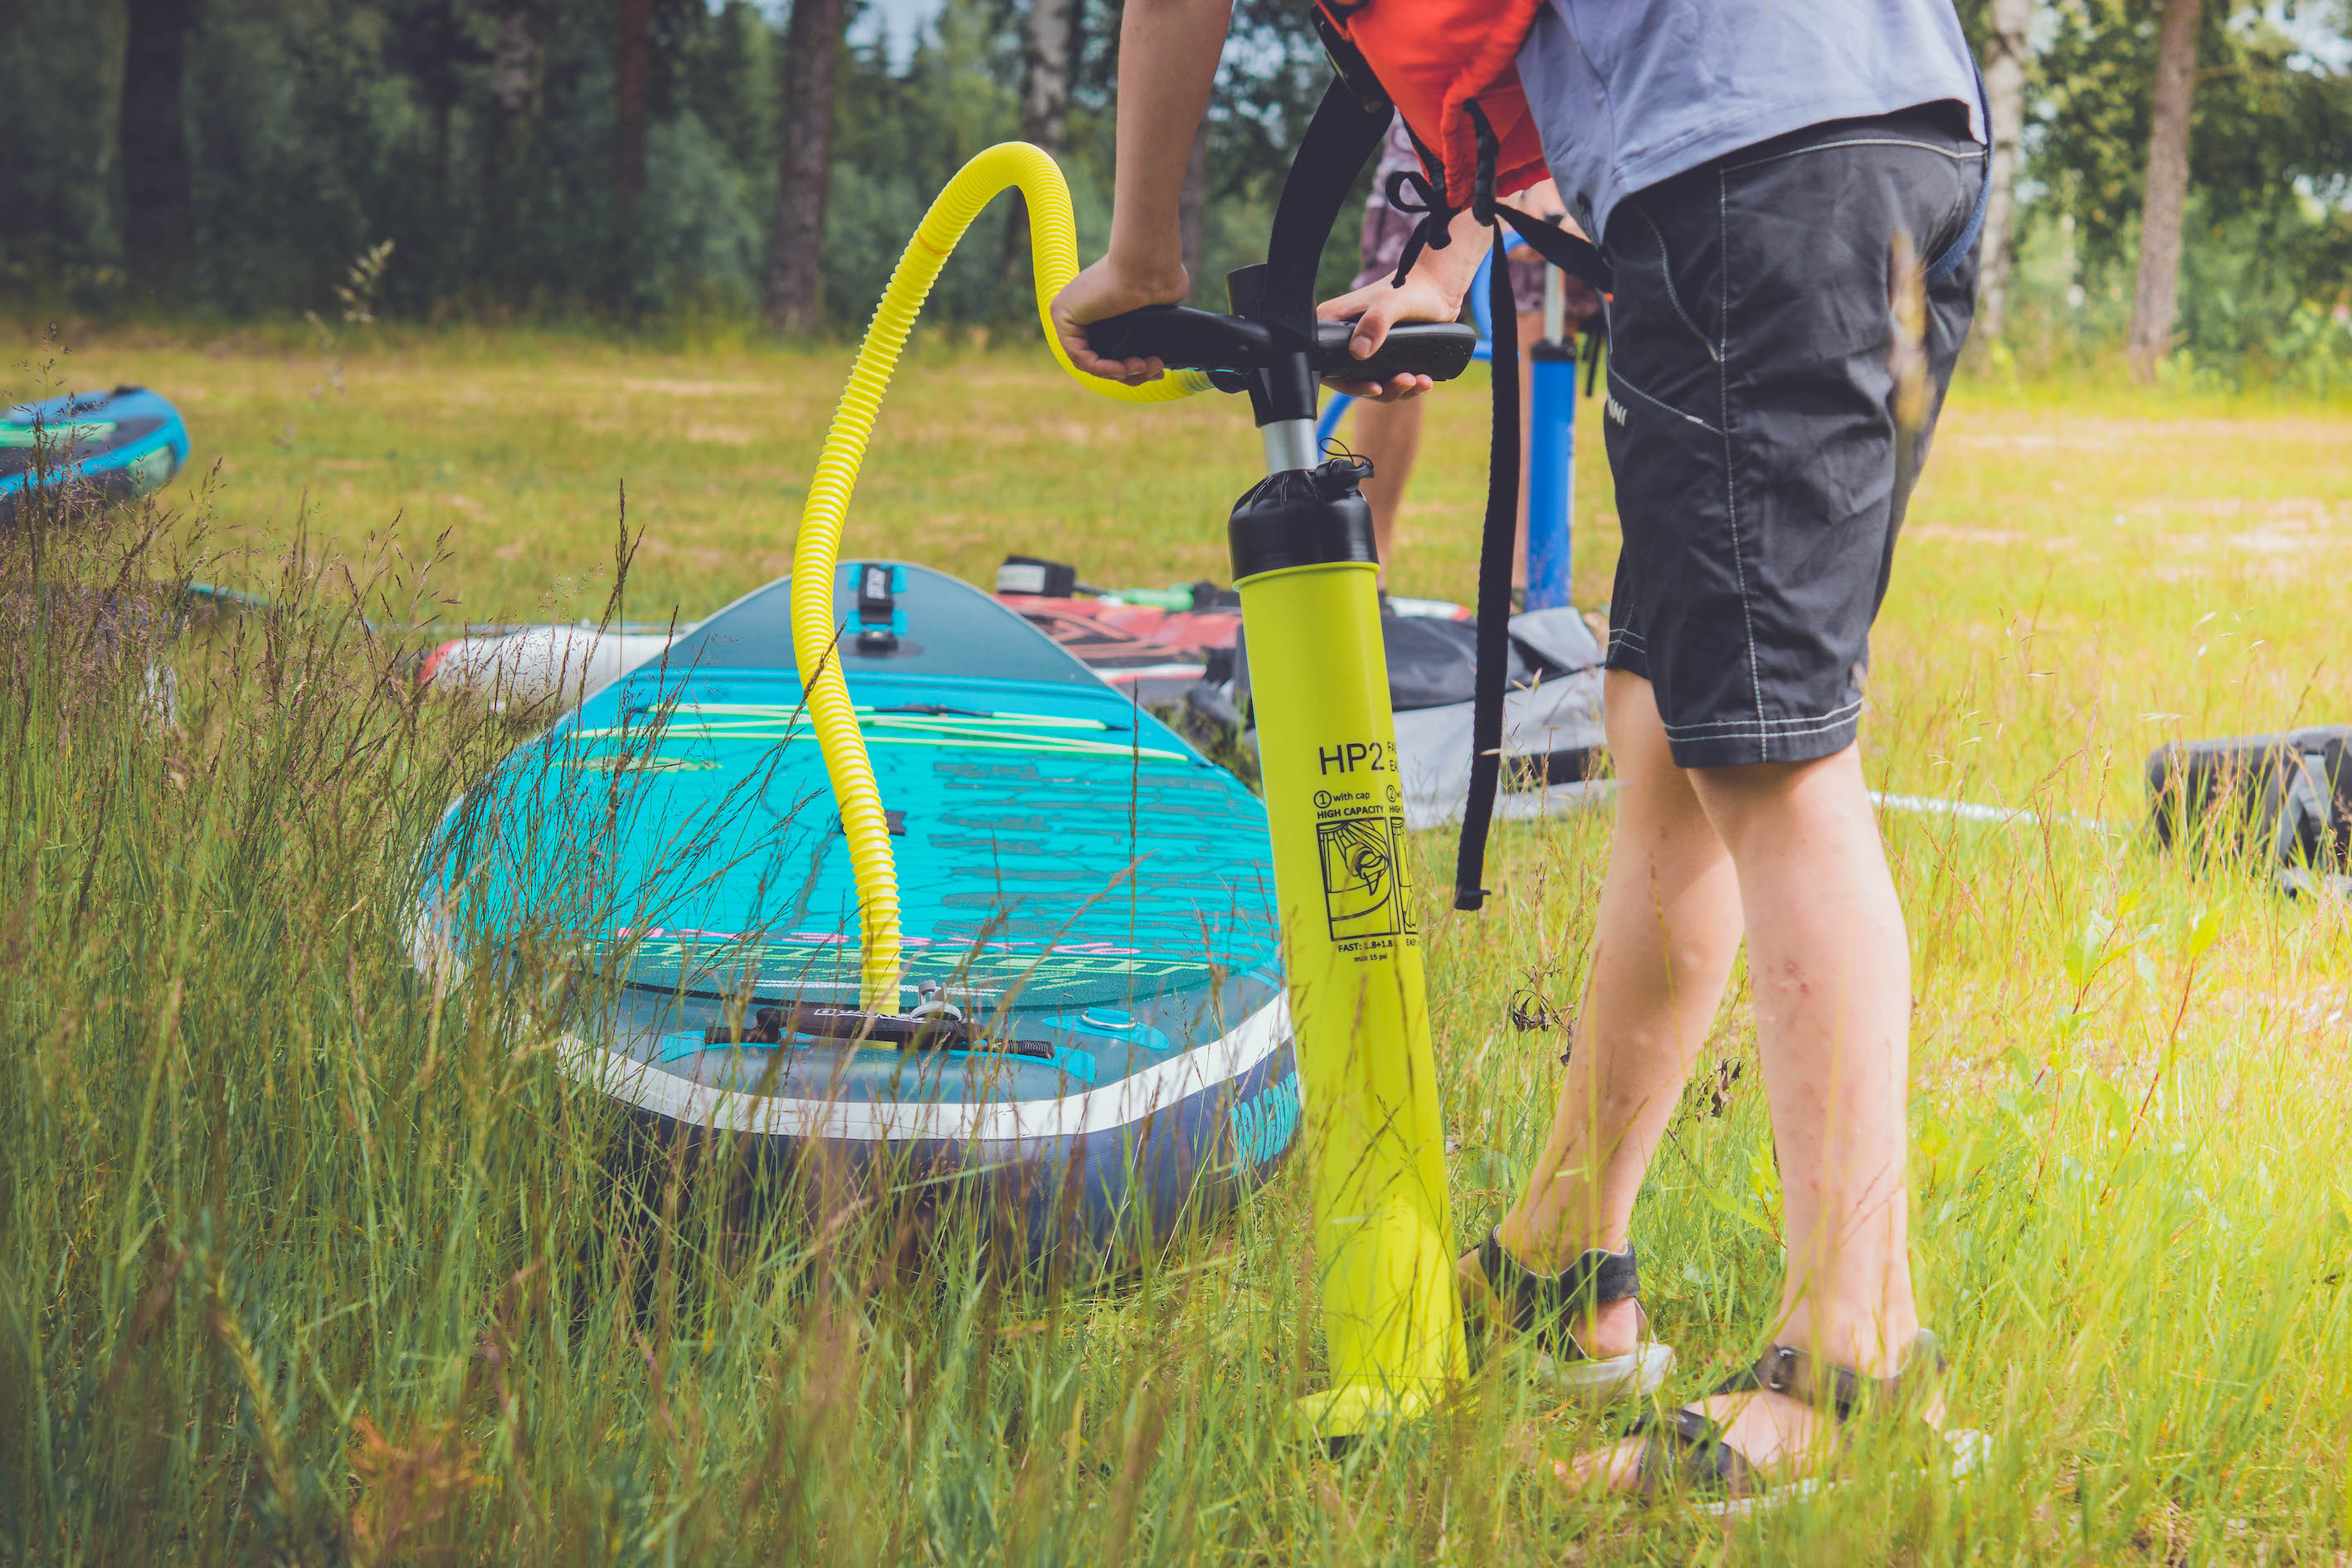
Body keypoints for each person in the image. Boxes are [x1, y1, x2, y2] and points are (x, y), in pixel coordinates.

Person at [1053, 0, 1985, 1502]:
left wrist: (1144, 254)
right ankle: (1570, 1261)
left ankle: (1853, 1368)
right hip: (1883, 132)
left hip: (1754, 157)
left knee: (1777, 763)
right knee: (1676, 731)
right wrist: (1438, 263)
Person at [1346, 114, 1601, 582]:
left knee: (1540, 303)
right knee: (1396, 325)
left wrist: (1542, 175)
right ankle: (1366, 559)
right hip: (1437, 98)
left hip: (1558, 108)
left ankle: (1532, 577)